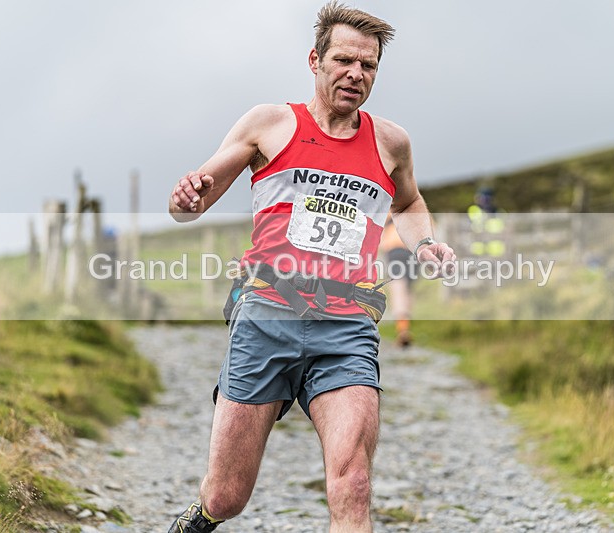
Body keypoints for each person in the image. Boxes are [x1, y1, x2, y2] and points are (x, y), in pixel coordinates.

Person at [167, 2, 455, 532]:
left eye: (368, 66)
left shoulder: (391, 143)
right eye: (344, 60)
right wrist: (187, 196)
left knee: (353, 482)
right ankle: (202, 516)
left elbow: (409, 205)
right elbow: (191, 203)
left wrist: (425, 245)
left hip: (347, 326)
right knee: (228, 495)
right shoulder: (270, 124)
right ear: (315, 60)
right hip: (266, 316)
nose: (356, 74)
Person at [378, 216, 416, 347]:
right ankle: (406, 324)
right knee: (407, 289)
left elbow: (379, 231)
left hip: (394, 248)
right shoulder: (417, 208)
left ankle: (403, 328)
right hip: (413, 250)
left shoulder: (389, 207)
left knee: (398, 287)